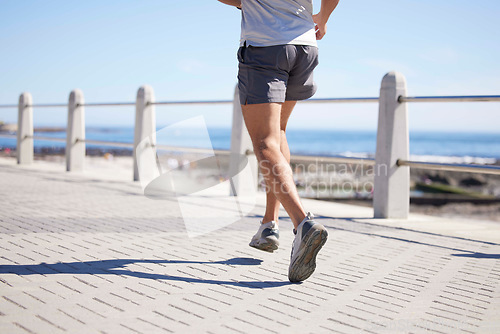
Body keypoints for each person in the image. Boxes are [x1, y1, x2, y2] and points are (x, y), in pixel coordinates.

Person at [218, 0, 339, 282]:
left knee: (264, 143)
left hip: (265, 47)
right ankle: (269, 224)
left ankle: (303, 225)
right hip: (305, 47)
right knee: (278, 133)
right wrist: (324, 17)